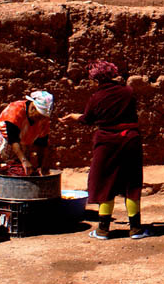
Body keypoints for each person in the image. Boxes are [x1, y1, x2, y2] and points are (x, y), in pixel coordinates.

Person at [60, 61, 149, 240]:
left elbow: (87, 119)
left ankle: (103, 229)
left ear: (96, 80)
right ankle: (136, 229)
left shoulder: (96, 98)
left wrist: (72, 117)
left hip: (107, 143)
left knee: (105, 183)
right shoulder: (128, 92)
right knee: (131, 184)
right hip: (130, 141)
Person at [0, 91, 54, 197]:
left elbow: (42, 144)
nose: (41, 119)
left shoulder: (43, 119)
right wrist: (24, 160)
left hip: (20, 144)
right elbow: (13, 139)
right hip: (1, 139)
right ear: (33, 108)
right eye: (39, 116)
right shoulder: (15, 109)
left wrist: (41, 166)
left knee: (18, 172)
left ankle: (15, 198)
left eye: (43, 117)